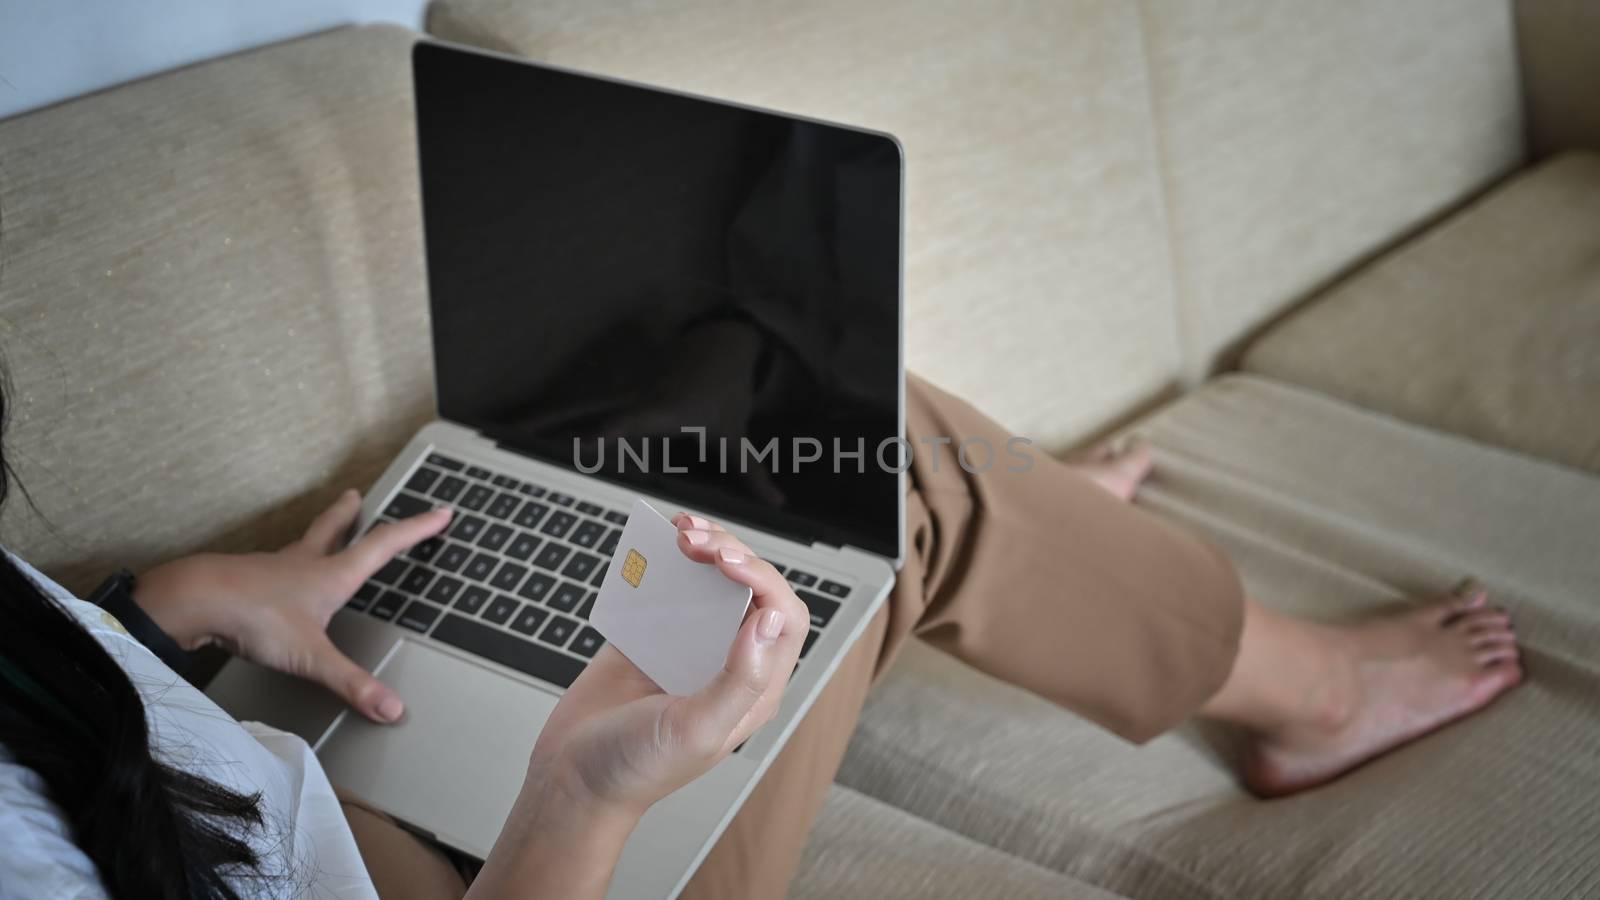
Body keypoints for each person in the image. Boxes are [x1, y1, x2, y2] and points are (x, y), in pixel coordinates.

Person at [0, 372, 1523, 900]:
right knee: (873, 459)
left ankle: (1006, 533)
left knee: (733, 415)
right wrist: (579, 797)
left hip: (342, 782)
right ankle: (1303, 689)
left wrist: (175, 610)